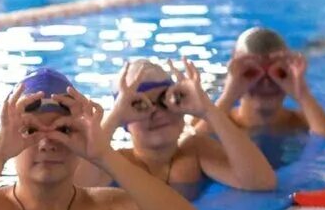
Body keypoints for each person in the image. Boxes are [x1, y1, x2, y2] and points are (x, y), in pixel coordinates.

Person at [0, 68, 205, 210]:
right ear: (8, 140)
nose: (47, 143)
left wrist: (104, 155)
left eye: (64, 130)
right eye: (31, 131)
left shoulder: (102, 208)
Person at [77, 59, 277, 196]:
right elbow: (75, 191)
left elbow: (262, 182)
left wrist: (208, 110)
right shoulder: (115, 163)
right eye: (139, 105)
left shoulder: (196, 151)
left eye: (165, 100)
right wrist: (114, 118)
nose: (157, 113)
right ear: (124, 121)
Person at [213, 26, 325, 138]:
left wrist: (302, 94)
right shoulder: (220, 123)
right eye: (251, 73)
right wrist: (228, 96)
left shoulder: (304, 123)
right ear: (234, 78)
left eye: (279, 73)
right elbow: (200, 142)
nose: (266, 84)